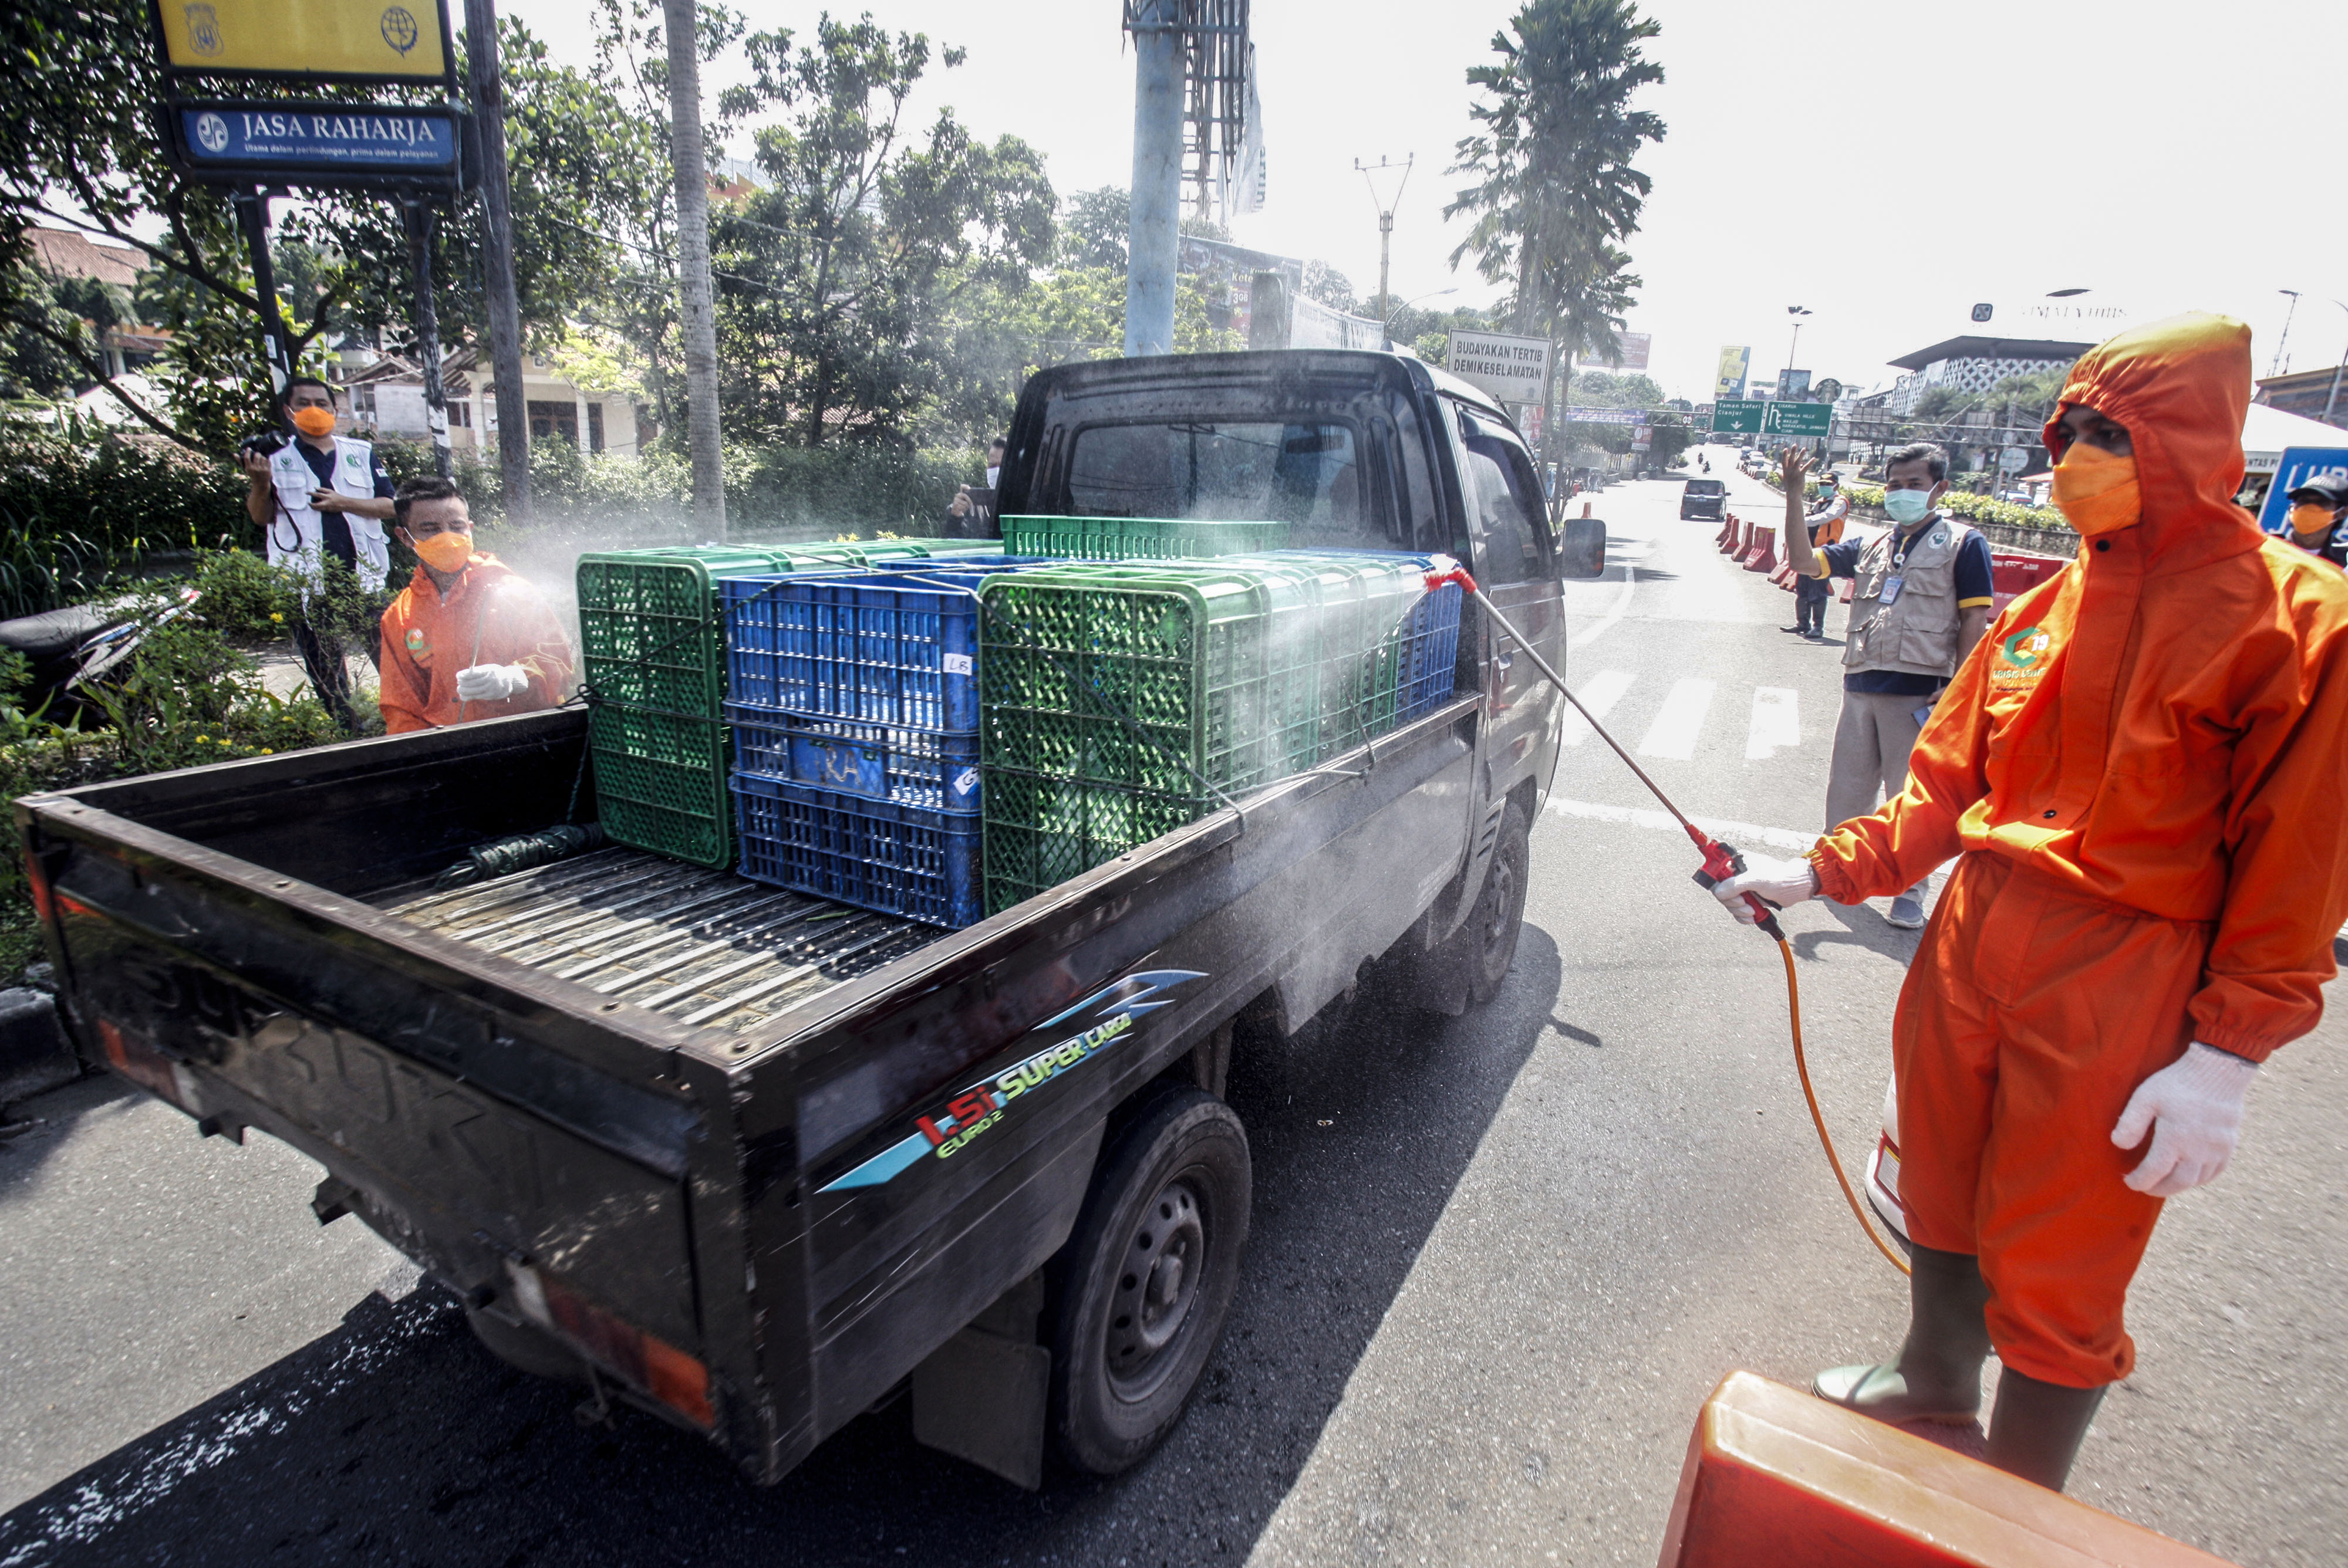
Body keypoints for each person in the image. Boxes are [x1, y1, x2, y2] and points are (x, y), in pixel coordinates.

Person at [1711, 313, 2348, 1493]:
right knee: (1939, 1182)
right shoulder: (2042, 609)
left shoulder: (2300, 624)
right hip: (1968, 938)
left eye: (2111, 434)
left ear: (2190, 445)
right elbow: (1943, 784)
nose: (2074, 458)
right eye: (2070, 431)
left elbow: (2296, 863)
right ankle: (1935, 1379)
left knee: (2059, 1250)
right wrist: (1820, 872)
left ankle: (2016, 1496)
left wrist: (2226, 1058)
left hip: (2123, 970)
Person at [1787, 441, 1994, 928]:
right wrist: (1794, 494)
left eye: (1914, 485)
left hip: (1922, 691)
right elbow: (1802, 561)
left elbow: (1975, 619)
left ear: (1939, 489)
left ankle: (1912, 893)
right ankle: (1836, 872)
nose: (1902, 493)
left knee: (1910, 796)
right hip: (1861, 684)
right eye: (1896, 485)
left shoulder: (1964, 544)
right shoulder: (1871, 545)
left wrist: (1960, 690)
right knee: (1848, 791)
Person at [241, 375, 397, 730]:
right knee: (325, 669)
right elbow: (260, 517)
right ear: (289, 411)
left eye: (322, 403)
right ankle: (350, 733)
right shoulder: (272, 458)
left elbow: (392, 506)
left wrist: (345, 502)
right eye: (304, 404)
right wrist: (260, 483)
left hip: (364, 579)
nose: (314, 410)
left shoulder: (360, 453)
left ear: (335, 409)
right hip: (305, 585)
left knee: (391, 658)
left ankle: (401, 722)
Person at [376, 475, 573, 734]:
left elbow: (557, 658)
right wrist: (419, 757)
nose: (446, 536)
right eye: (430, 529)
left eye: (456, 526)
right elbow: (402, 707)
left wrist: (515, 678)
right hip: (449, 749)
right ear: (405, 537)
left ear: (470, 528)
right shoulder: (400, 617)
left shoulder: (511, 590)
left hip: (525, 737)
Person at [1781, 459, 1848, 639]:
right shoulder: (1819, 502)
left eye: (1828, 484)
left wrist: (1802, 521)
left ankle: (1818, 627)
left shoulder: (1840, 502)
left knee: (1818, 589)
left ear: (1836, 486)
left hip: (1825, 552)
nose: (1824, 487)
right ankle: (1802, 623)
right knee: (1802, 588)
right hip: (1809, 551)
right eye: (1822, 484)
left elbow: (1827, 517)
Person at [944, 437, 1007, 538]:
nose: (996, 470)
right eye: (992, 465)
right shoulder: (970, 508)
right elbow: (951, 546)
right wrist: (956, 516)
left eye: (1003, 465)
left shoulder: (1026, 508)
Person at [2280, 472, 2347, 566]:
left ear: (2342, 513)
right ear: (2292, 509)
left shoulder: (2345, 562)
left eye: (2321, 503)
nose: (2309, 508)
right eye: (2304, 502)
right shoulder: (2266, 549)